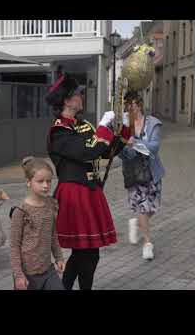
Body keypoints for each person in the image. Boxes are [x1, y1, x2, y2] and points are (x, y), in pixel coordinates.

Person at [46, 73, 127, 290]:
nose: (82, 96)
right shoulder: (59, 130)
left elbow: (104, 153)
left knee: (86, 253)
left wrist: (123, 130)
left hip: (89, 191)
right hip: (74, 193)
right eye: (77, 94)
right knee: (87, 254)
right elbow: (87, 151)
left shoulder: (83, 125)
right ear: (66, 100)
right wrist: (102, 126)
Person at [119, 93, 165, 260]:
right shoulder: (124, 125)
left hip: (151, 172)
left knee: (152, 207)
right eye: (127, 106)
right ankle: (147, 243)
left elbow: (154, 147)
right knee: (143, 208)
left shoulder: (152, 123)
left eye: (132, 105)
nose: (129, 108)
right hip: (133, 173)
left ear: (139, 105)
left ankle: (136, 223)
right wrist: (124, 148)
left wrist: (134, 143)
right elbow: (121, 152)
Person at [10, 156, 65, 290]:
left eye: (48, 181)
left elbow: (53, 235)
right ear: (28, 182)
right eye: (40, 181)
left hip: (48, 270)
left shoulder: (51, 205)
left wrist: (59, 257)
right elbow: (14, 246)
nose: (46, 185)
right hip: (27, 274)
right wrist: (19, 276)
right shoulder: (20, 211)